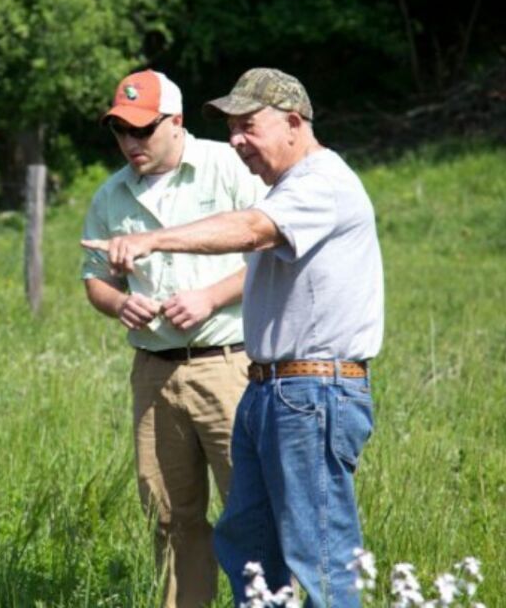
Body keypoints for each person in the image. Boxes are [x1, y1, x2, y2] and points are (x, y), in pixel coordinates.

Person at [82, 68, 384, 608]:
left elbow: (249, 230)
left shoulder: (321, 182)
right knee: (248, 541)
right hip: (268, 387)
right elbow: (95, 281)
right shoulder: (284, 185)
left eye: (249, 126)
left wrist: (154, 241)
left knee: (318, 552)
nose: (237, 140)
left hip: (311, 389)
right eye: (231, 128)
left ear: (293, 123)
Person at [81, 69, 266, 608]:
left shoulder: (228, 166)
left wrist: (211, 297)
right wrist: (120, 303)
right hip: (154, 372)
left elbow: (273, 253)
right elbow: (95, 280)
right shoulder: (111, 195)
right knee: (168, 514)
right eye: (120, 130)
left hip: (229, 365)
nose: (130, 142)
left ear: (177, 121)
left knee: (250, 510)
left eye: (143, 129)